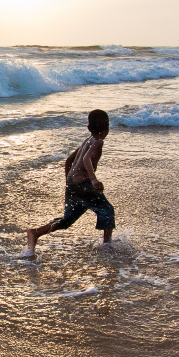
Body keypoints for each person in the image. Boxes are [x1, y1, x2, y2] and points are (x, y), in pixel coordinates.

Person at [24, 109, 115, 256]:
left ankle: (36, 232)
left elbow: (68, 161)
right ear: (107, 128)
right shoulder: (98, 141)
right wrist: (93, 179)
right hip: (83, 184)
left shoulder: (87, 141)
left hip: (73, 185)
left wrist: (69, 183)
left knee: (67, 220)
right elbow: (86, 160)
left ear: (88, 128)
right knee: (107, 210)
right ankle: (107, 247)